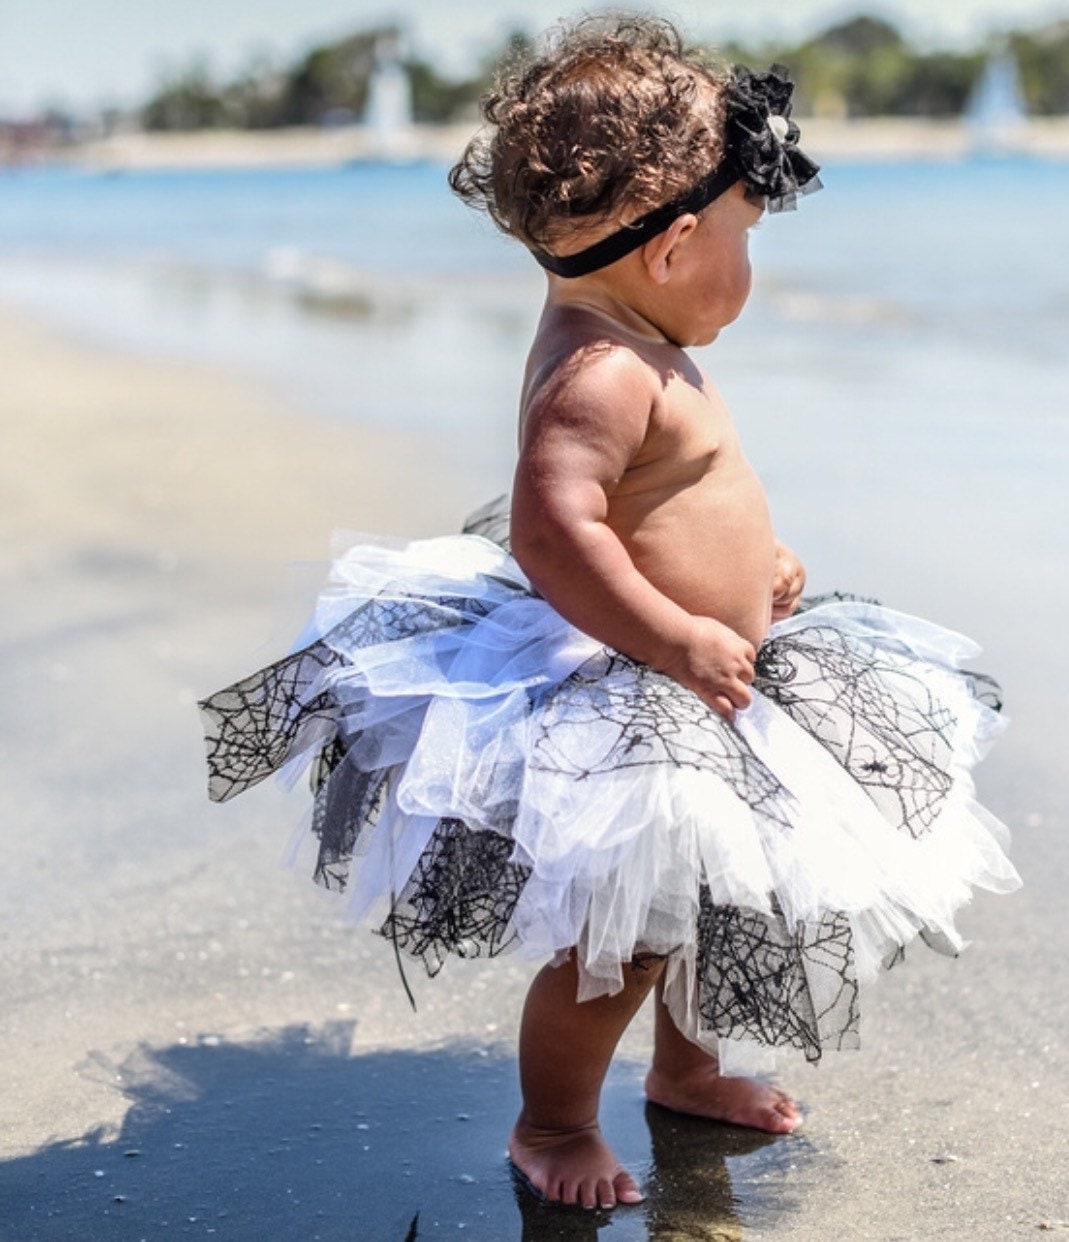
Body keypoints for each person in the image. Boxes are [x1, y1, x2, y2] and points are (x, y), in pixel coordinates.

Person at [199, 14, 1020, 1215]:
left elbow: (679, 496)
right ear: (677, 245)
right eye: (744, 239)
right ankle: (554, 1122)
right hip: (639, 689)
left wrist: (758, 566)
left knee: (717, 886)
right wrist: (674, 631)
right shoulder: (600, 371)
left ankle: (685, 1071)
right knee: (625, 936)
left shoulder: (631, 329)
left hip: (715, 672)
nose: (750, 269)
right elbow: (552, 535)